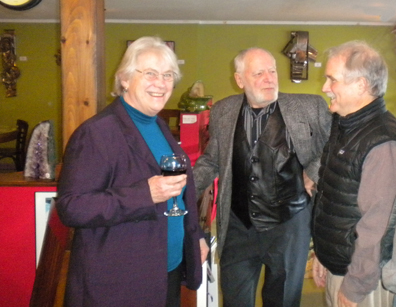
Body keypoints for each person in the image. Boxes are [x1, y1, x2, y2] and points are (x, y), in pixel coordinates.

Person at [56, 37, 209, 307]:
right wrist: (144, 194)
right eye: (149, 73)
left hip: (165, 271)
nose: (161, 83)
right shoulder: (97, 133)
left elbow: (177, 194)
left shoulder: (158, 126)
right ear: (124, 79)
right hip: (120, 282)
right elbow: (72, 207)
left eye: (168, 75)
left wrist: (193, 235)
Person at [193, 47, 331, 307]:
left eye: (272, 71)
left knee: (282, 301)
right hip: (238, 227)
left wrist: (312, 174)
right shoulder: (223, 111)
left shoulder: (309, 107)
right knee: (234, 300)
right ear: (240, 80)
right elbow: (211, 160)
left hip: (289, 225)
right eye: (259, 73)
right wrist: (182, 188)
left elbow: (334, 145)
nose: (269, 78)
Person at [312, 40, 396, 307]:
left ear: (360, 85)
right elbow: (333, 199)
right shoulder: (344, 123)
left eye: (331, 80)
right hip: (340, 265)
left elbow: (377, 228)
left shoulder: (382, 142)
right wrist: (322, 256)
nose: (325, 88)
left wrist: (356, 286)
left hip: (363, 279)